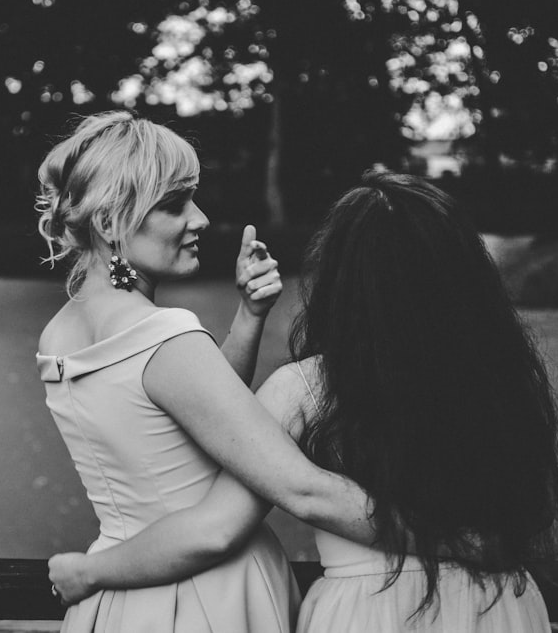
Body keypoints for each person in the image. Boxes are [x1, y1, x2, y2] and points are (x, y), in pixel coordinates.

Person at [48, 170, 558, 632]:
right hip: (502, 607)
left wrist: (89, 570)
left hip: (363, 615)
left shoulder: (305, 389)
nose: (200, 218)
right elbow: (208, 415)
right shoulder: (501, 378)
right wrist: (469, 544)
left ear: (341, 281)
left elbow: (227, 505)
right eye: (175, 203)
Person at [34, 110, 376, 633]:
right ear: (109, 224)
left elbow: (189, 421)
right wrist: (438, 537)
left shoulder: (59, 335)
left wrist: (248, 316)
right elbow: (299, 491)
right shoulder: (165, 334)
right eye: (174, 205)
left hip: (118, 593)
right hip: (210, 596)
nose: (199, 219)